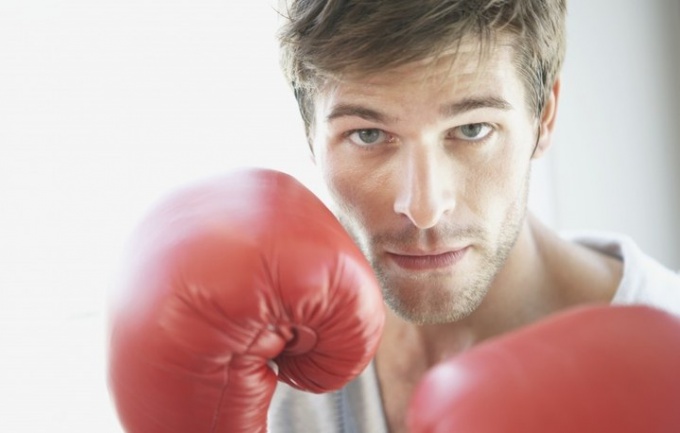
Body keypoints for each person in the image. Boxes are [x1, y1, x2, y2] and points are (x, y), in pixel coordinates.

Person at [269, 0, 680, 431]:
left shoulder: (670, 360)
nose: (424, 208)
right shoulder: (261, 359)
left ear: (544, 115)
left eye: (471, 129)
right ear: (308, 132)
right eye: (368, 135)